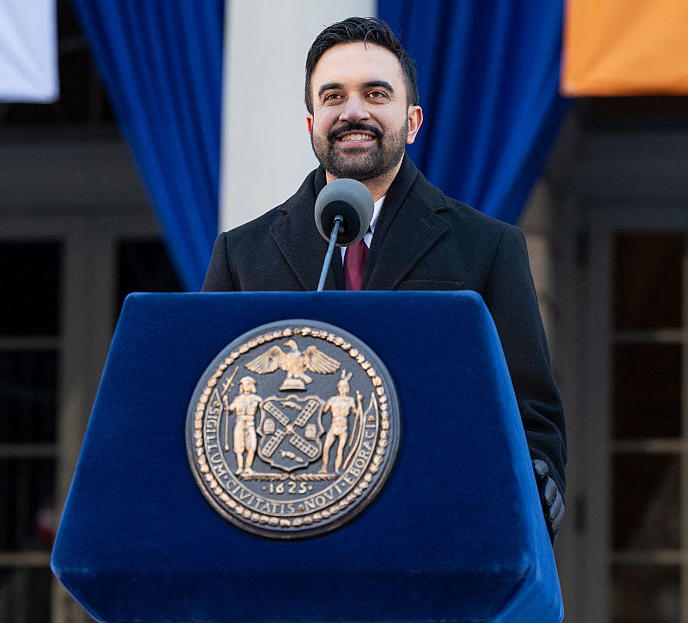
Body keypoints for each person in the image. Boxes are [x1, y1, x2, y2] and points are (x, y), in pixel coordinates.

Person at [202, 17, 566, 541]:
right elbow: (208, 400)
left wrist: (537, 481)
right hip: (282, 538)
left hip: (433, 533)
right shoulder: (241, 254)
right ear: (311, 126)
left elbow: (533, 411)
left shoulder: (487, 248)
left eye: (375, 93)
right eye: (333, 97)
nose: (353, 112)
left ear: (412, 121)